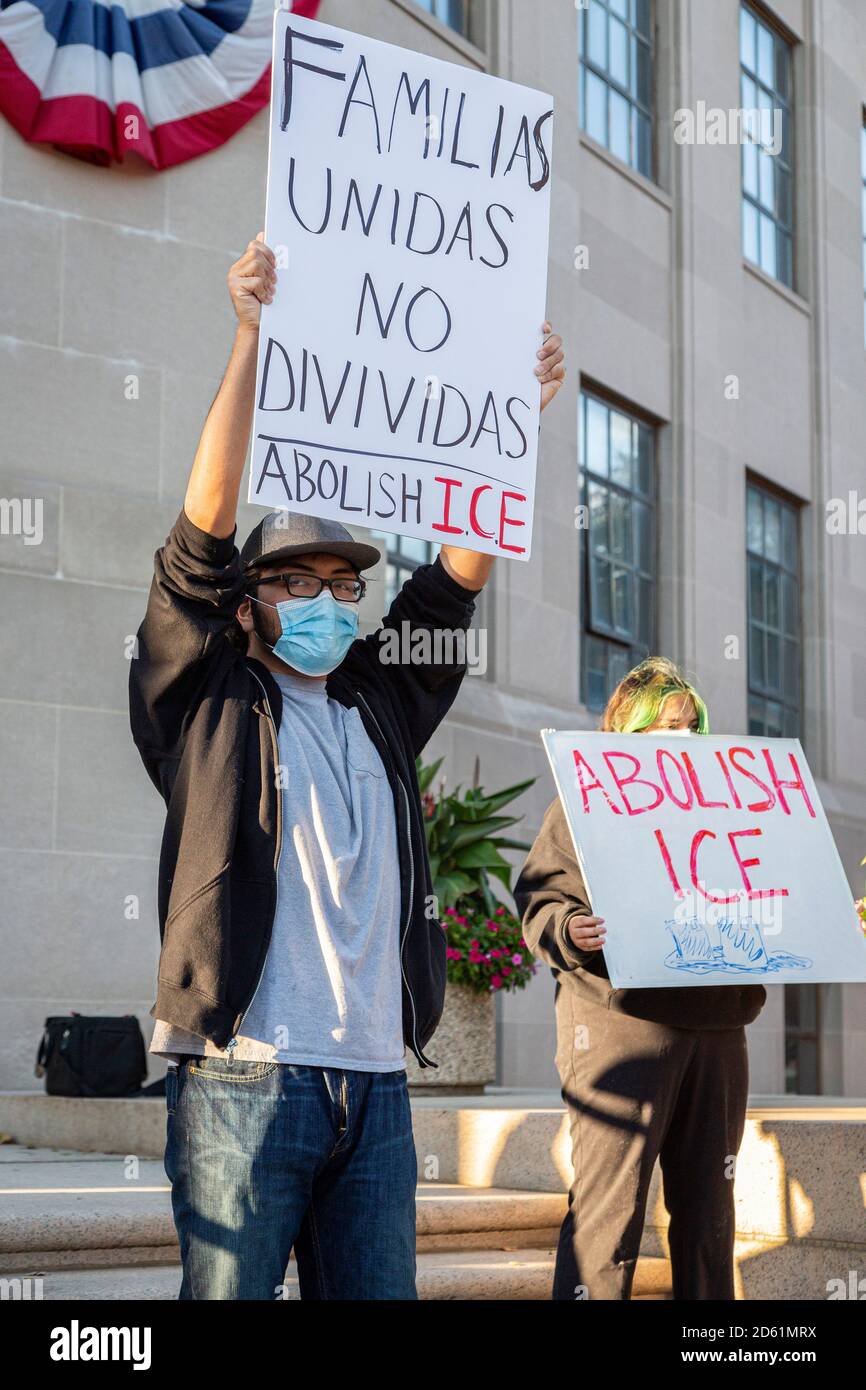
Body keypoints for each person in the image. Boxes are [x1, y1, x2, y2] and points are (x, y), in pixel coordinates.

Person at [128, 234, 565, 1301]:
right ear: (246, 604)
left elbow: (452, 581)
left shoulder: (379, 701)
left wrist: (505, 418)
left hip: (374, 1089)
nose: (324, 598)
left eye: (342, 582)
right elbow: (196, 539)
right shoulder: (206, 701)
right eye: (295, 581)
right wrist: (249, 338)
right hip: (243, 1078)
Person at [514, 657, 766, 1301]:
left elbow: (766, 891)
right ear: (625, 739)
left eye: (688, 723)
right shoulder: (582, 805)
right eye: (661, 726)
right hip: (617, 1023)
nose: (679, 737)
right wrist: (569, 928)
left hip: (717, 1027)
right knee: (608, 1213)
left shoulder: (736, 809)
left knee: (710, 1214)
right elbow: (542, 900)